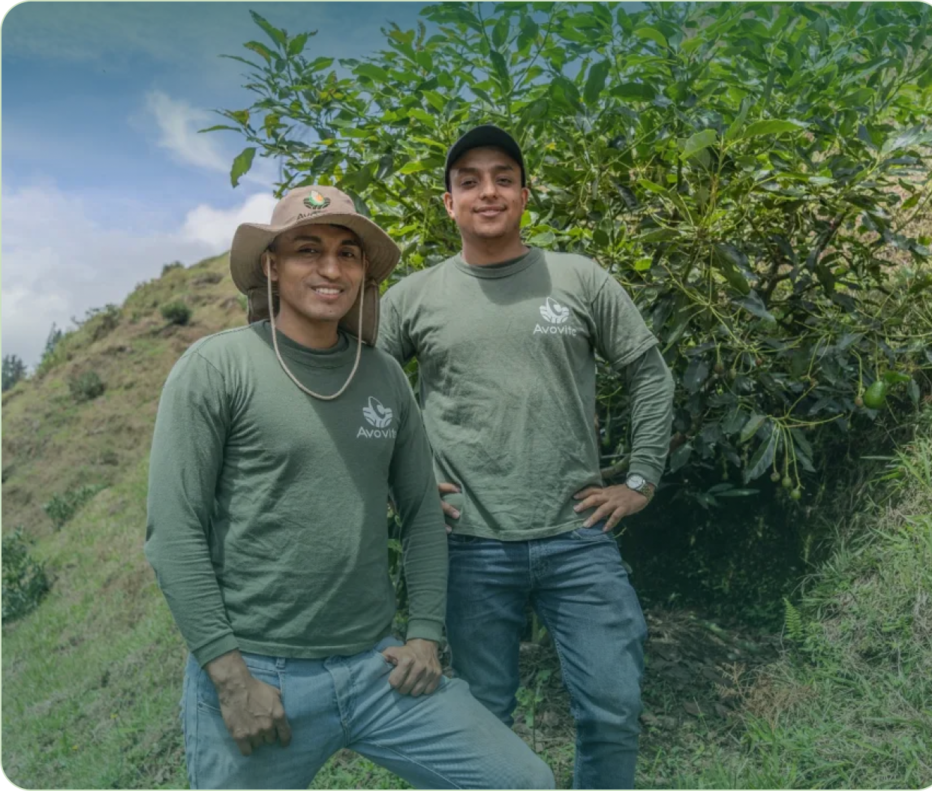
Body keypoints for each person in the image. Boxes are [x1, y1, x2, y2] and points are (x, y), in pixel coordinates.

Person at [144, 185, 554, 791]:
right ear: (272, 265)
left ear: (364, 271)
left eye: (348, 253)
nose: (331, 269)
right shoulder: (216, 368)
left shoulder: (383, 375)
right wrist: (231, 681)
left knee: (521, 781)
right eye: (308, 249)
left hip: (377, 669)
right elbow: (173, 533)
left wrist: (425, 636)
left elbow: (420, 512)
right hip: (261, 672)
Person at [378, 127, 675, 790]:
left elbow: (649, 372)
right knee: (485, 722)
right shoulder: (413, 298)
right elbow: (361, 392)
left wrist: (640, 478)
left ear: (523, 193)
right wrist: (402, 481)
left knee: (612, 705)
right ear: (448, 202)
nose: (488, 191)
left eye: (503, 176)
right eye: (470, 180)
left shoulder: (576, 277)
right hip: (468, 543)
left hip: (579, 536)